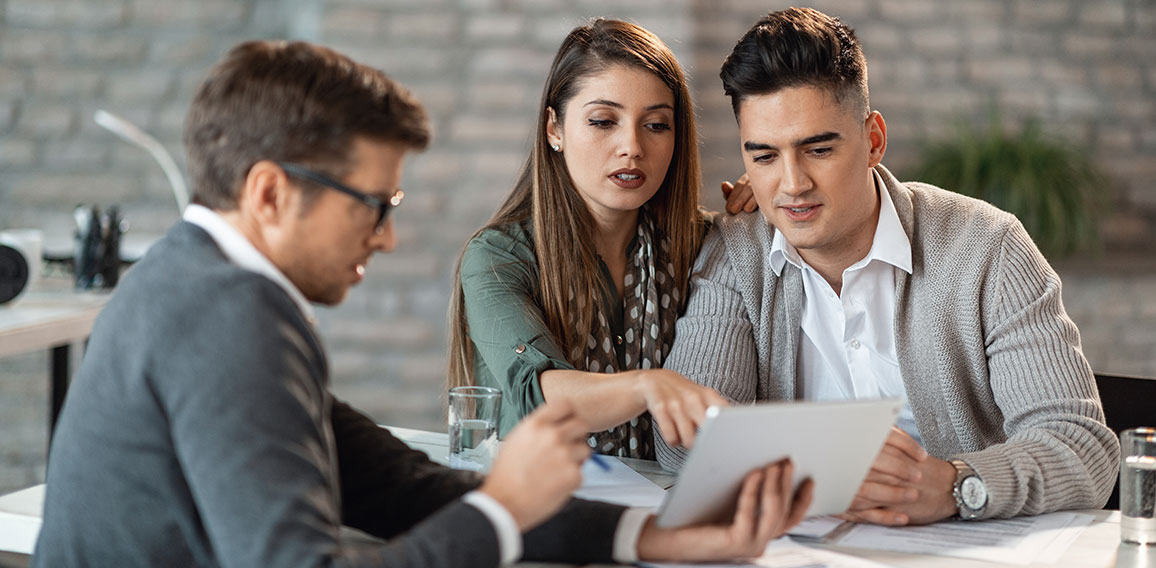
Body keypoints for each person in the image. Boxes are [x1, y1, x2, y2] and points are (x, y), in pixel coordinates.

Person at [33, 40, 814, 567]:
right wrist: (502, 507)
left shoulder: (192, 286)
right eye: (374, 204)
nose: (388, 238)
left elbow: (402, 486)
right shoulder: (226, 317)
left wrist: (655, 535)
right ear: (270, 193)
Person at [655, 7, 1119, 525]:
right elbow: (685, 445)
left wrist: (956, 485)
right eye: (764, 157)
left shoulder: (988, 248)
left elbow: (1082, 448)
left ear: (873, 139)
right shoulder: (736, 255)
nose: (792, 184)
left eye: (818, 149)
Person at [449, 19, 748, 460]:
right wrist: (649, 385)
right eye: (604, 120)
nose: (632, 146)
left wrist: (771, 199)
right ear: (554, 129)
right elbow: (543, 396)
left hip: (661, 509)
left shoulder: (703, 243)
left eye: (657, 125)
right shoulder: (497, 257)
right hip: (538, 507)